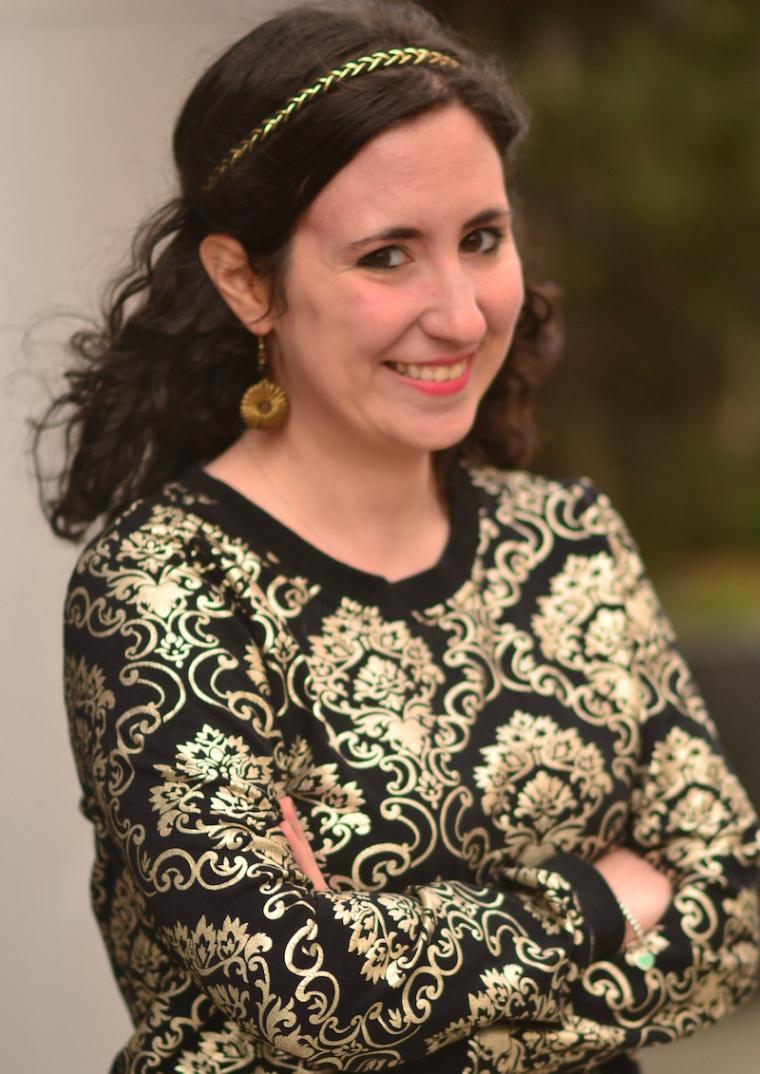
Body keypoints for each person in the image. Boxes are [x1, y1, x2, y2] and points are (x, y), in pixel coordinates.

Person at [36, 2, 758, 1072]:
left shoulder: (569, 540)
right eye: (387, 256)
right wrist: (602, 901)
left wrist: (396, 986)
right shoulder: (163, 588)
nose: (461, 314)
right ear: (246, 281)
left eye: (481, 239)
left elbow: (737, 915)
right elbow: (302, 991)